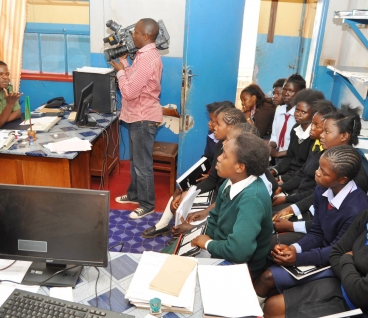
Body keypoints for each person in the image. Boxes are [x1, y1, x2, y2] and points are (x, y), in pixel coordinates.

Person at [264, 164, 368, 318]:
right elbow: (336, 252)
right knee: (272, 305)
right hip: (341, 281)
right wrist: (348, 262)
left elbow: (362, 295)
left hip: (354, 303)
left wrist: (347, 259)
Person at [254, 145, 368, 299]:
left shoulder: (356, 210)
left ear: (342, 179)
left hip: (336, 262)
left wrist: (298, 258)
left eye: (324, 172)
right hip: (322, 250)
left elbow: (336, 250)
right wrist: (295, 249)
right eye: (319, 167)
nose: (317, 173)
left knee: (267, 278)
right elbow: (317, 232)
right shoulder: (322, 189)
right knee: (271, 258)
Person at [141, 107, 245, 238]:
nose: (213, 126)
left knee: (188, 207)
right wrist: (188, 191)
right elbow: (212, 179)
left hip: (219, 199)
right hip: (217, 194)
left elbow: (226, 194)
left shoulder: (239, 155)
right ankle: (167, 227)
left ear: (231, 127)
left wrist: (202, 205)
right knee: (179, 194)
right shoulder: (220, 146)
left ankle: (182, 235)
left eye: (218, 124)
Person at [190, 132, 273, 280]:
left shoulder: (252, 199)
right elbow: (215, 215)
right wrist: (209, 239)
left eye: (225, 156)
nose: (219, 158)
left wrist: (208, 244)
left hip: (241, 266)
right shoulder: (230, 181)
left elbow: (240, 252)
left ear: (240, 167)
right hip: (221, 250)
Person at [109, 18, 163, 219]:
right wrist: (124, 63)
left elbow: (130, 91)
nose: (133, 35)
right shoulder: (144, 56)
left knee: (142, 164)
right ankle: (134, 194)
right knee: (135, 161)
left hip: (142, 117)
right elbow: (135, 76)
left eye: (136, 33)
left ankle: (147, 204)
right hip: (138, 117)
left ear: (146, 35)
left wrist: (120, 73)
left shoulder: (147, 58)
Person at [272, 104, 368, 212]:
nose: (321, 135)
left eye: (327, 132)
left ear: (344, 136)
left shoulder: (352, 173)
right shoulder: (325, 153)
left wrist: (291, 208)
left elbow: (321, 199)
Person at [269, 89, 325, 182]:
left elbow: (305, 169)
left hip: (300, 178)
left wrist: (281, 178)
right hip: (289, 173)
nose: (298, 114)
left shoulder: (314, 136)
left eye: (303, 112)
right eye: (297, 110)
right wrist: (274, 171)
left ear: (313, 114)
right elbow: (289, 157)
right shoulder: (295, 128)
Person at [269, 74, 306, 161]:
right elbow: (275, 136)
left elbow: (299, 147)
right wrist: (270, 147)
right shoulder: (279, 110)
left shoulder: (301, 115)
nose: (286, 94)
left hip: (292, 159)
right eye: (284, 90)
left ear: (300, 92)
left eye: (290, 91)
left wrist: (277, 154)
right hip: (277, 156)